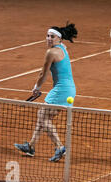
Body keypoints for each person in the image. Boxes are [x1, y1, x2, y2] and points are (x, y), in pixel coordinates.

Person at [14, 22, 78, 162]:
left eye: (52, 36)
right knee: (43, 118)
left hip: (62, 90)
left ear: (59, 39)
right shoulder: (63, 48)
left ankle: (60, 147)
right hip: (69, 90)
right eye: (47, 36)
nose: (49, 38)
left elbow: (43, 73)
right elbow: (44, 70)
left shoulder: (51, 52)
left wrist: (36, 87)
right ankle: (30, 146)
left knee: (43, 116)